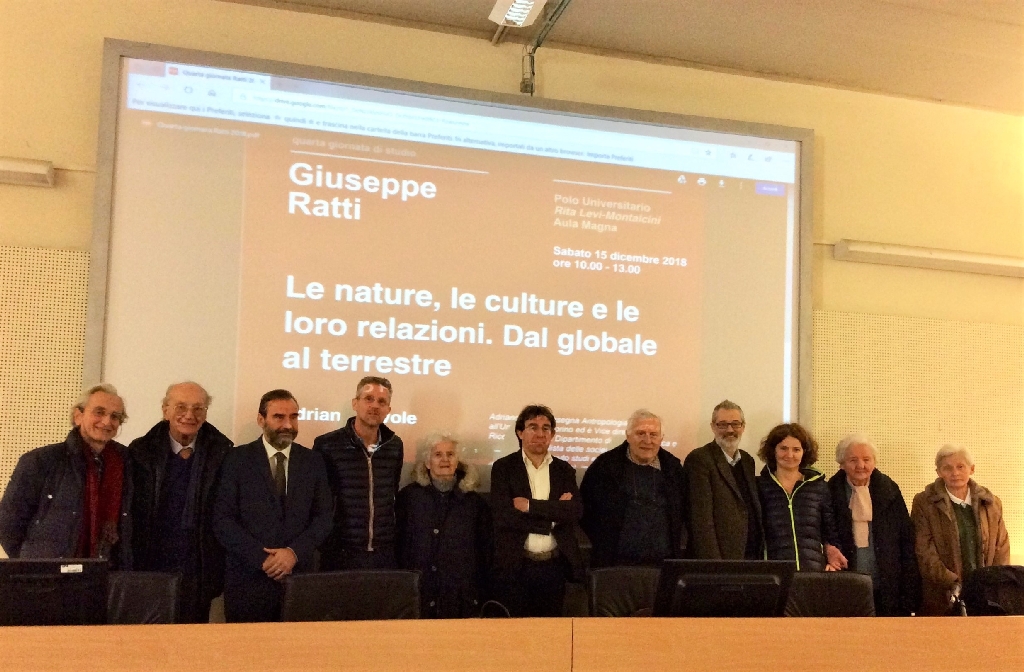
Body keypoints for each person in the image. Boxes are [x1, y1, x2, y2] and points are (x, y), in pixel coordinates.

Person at [212, 389, 332, 622]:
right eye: (279, 417)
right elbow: (222, 520)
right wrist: (262, 559)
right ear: (261, 420)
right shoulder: (236, 460)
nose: (288, 424)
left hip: (300, 580)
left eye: (294, 417)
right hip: (248, 580)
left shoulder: (313, 461)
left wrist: (293, 553)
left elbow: (324, 517)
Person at [129, 381, 233, 623]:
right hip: (151, 562)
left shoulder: (224, 453)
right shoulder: (140, 452)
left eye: (198, 408)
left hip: (199, 565)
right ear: (165, 410)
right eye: (180, 407)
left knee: (192, 641)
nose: (189, 415)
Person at [0, 384, 133, 568]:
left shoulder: (126, 463)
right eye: (99, 412)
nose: (107, 421)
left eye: (115, 416)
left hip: (104, 575)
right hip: (49, 579)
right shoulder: (41, 461)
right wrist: (34, 563)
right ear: (78, 416)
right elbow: (8, 524)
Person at [490, 404, 583, 617]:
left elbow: (575, 511)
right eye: (533, 427)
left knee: (550, 635)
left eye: (546, 428)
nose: (540, 434)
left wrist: (530, 506)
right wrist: (552, 517)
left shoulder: (564, 469)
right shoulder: (504, 468)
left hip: (554, 567)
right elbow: (504, 516)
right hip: (516, 566)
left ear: (552, 434)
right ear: (520, 432)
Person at [396, 432, 492, 618]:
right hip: (418, 595)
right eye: (437, 454)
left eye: (450, 454)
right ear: (427, 462)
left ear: (458, 461)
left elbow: (485, 552)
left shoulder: (475, 503)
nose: (445, 460)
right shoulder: (408, 498)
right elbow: (399, 545)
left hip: (461, 598)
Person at [314, 376, 404, 570]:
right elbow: (319, 500)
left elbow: (392, 493)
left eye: (382, 402)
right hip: (341, 552)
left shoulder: (395, 446)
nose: (374, 406)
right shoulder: (327, 444)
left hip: (383, 552)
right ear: (355, 403)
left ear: (388, 409)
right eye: (368, 398)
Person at [911, 444, 1010, 615]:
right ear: (938, 472)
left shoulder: (991, 503)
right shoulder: (924, 503)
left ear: (972, 469)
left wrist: (994, 582)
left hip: (987, 595)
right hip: (943, 595)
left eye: (960, 467)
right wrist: (953, 582)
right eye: (947, 468)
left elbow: (1002, 547)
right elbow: (925, 551)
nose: (955, 473)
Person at [827, 434, 920, 616]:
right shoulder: (830, 491)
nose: (861, 465)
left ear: (874, 462)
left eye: (866, 459)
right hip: (846, 583)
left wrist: (910, 592)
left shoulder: (889, 490)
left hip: (888, 584)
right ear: (841, 463)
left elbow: (906, 541)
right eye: (853, 460)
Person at [580, 409, 687, 568]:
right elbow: (584, 510)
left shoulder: (674, 469)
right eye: (641, 433)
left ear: (661, 438)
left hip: (663, 564)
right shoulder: (604, 467)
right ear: (628, 436)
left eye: (653, 434)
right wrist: (605, 542)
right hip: (614, 565)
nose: (647, 440)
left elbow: (683, 511)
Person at [756, 423, 846, 572]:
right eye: (783, 448)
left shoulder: (819, 486)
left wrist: (832, 554)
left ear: (804, 452)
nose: (790, 455)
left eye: (796, 449)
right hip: (773, 575)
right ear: (773, 451)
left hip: (813, 573)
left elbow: (830, 529)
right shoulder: (759, 486)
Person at [683, 400, 763, 560]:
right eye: (722, 425)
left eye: (735, 424)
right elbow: (701, 519)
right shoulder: (699, 459)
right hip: (721, 558)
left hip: (750, 555)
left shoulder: (748, 460)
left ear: (743, 427)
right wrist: (714, 565)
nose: (730, 430)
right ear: (712, 427)